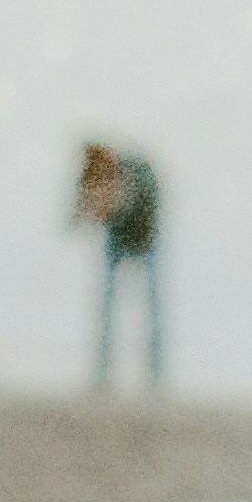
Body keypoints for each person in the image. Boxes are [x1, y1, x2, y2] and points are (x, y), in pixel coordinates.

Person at [72, 140, 165, 390]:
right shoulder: (92, 175)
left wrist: (106, 207)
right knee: (106, 304)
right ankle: (103, 374)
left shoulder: (135, 175)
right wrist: (87, 207)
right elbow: (75, 216)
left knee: (153, 306)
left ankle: (155, 375)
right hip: (117, 238)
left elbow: (139, 207)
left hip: (147, 237)